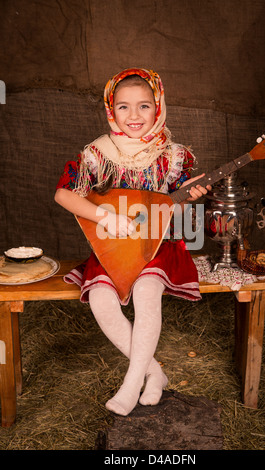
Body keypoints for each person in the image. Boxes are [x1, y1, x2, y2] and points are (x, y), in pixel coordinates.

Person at [54, 68, 210, 416]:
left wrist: (191, 193)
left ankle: (131, 383)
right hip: (115, 245)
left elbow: (173, 204)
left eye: (144, 106)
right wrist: (105, 217)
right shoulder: (98, 153)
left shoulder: (173, 155)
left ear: (159, 107)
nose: (134, 116)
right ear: (111, 109)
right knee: (101, 301)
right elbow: (64, 195)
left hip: (157, 246)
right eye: (123, 107)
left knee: (146, 293)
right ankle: (155, 373)